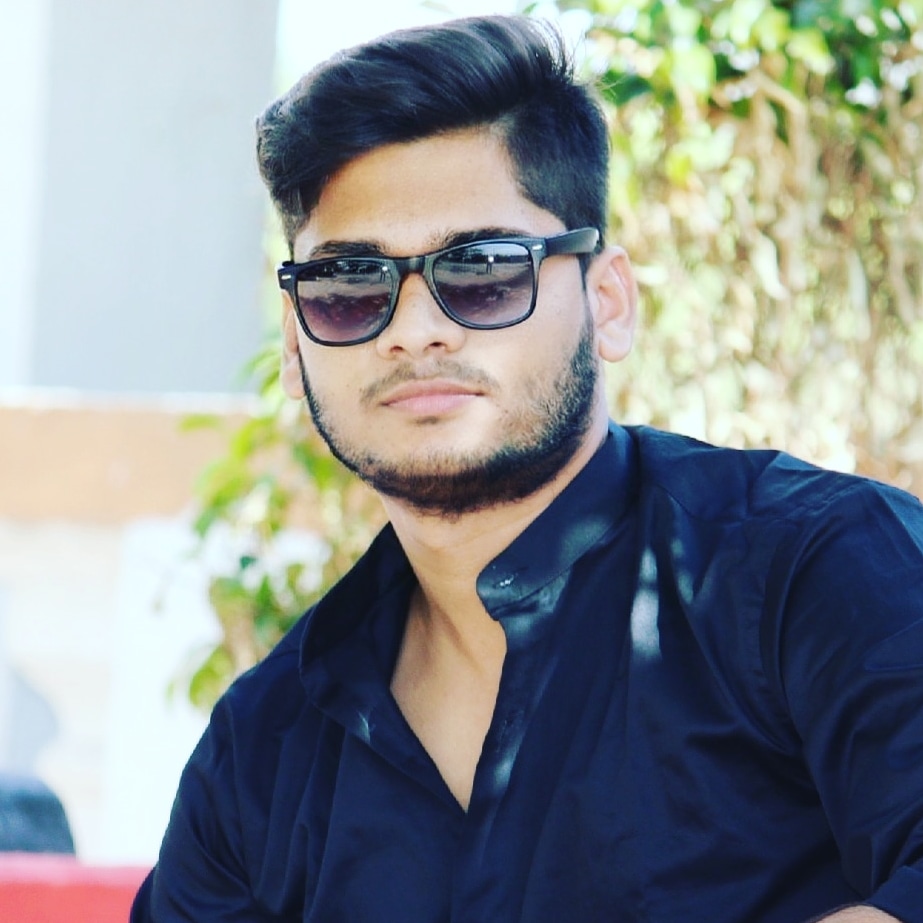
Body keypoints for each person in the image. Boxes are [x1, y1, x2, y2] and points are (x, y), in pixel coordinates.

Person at [131, 15, 923, 923]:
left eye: (482, 270)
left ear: (606, 301)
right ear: (293, 341)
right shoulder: (260, 753)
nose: (414, 329)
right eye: (349, 286)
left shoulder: (811, 573)